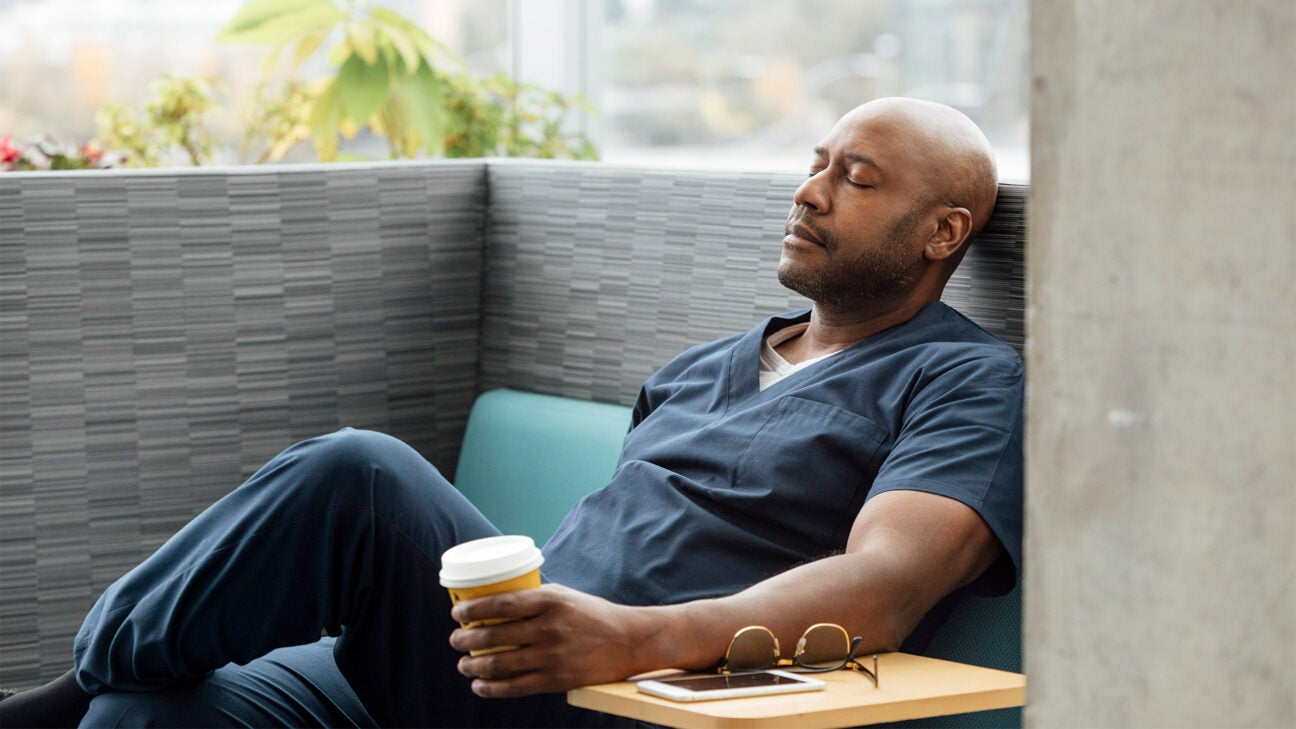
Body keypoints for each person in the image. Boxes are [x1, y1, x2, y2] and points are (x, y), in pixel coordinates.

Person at [0, 96, 1021, 728]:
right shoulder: (699, 367)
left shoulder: (961, 380)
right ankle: (93, 692)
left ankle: (47, 703)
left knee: (360, 475)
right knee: (153, 708)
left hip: (624, 694)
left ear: (942, 232)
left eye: (856, 177)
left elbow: (882, 591)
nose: (810, 192)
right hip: (485, 667)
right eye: (814, 163)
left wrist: (628, 640)